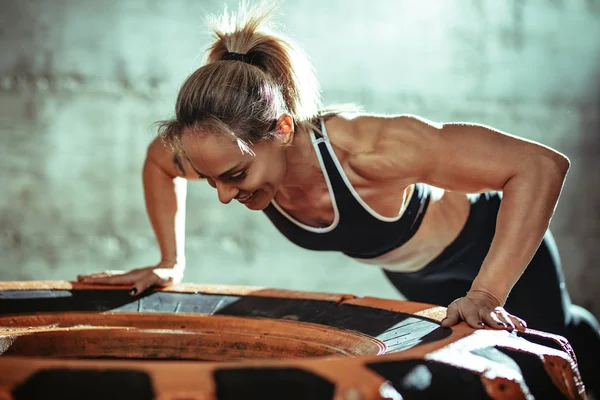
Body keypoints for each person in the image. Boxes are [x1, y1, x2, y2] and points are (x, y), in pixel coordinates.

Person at [77, 4, 599, 391]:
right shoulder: (219, 153)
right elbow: (157, 161)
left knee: (561, 356)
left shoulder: (367, 149)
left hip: (492, 256)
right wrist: (171, 261)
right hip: (416, 275)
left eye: (235, 175)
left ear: (281, 128)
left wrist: (486, 294)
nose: (223, 194)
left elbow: (539, 166)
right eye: (212, 180)